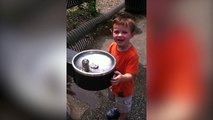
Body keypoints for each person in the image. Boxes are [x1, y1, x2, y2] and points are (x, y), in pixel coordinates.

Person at [106, 12, 139, 120]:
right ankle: (118, 109)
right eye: (116, 32)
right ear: (112, 32)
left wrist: (122, 78)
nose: (119, 35)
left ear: (132, 34)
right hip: (114, 84)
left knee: (124, 107)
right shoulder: (112, 46)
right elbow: (109, 60)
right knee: (116, 100)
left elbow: (131, 75)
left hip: (124, 89)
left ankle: (122, 116)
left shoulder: (132, 55)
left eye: (124, 32)